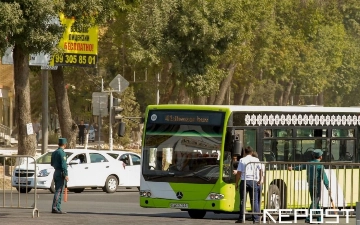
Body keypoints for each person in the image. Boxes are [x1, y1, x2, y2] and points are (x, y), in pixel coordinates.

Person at [288, 149, 330, 223]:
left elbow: (300, 167)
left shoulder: (308, 163)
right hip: (317, 186)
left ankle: (319, 219)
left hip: (310, 185)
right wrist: (328, 188)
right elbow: (325, 178)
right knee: (315, 201)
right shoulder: (320, 165)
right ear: (320, 157)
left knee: (316, 202)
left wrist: (292, 168)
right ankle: (308, 218)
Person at [235, 146, 262, 224]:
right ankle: (256, 219)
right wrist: (260, 179)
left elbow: (239, 173)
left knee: (243, 200)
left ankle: (241, 218)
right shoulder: (256, 160)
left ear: (245, 152)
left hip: (244, 181)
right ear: (252, 152)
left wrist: (236, 183)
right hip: (254, 181)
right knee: (254, 201)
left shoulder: (242, 160)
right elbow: (261, 170)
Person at [51, 138, 69, 214]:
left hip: (56, 172)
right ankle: (55, 207)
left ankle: (58, 207)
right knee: (58, 191)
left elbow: (51, 163)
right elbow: (64, 165)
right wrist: (66, 174)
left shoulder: (54, 152)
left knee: (59, 190)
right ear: (65, 144)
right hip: (60, 173)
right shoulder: (62, 153)